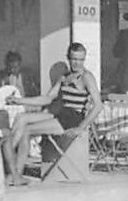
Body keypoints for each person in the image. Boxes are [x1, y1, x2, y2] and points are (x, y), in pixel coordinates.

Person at [6, 42, 101, 181]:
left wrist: (81, 127)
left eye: (81, 59)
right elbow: (48, 98)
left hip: (72, 119)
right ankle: (11, 165)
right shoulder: (64, 77)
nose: (77, 63)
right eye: (74, 59)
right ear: (68, 58)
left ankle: (11, 167)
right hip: (61, 115)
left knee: (26, 131)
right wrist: (20, 100)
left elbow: (98, 105)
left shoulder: (86, 77)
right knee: (22, 119)